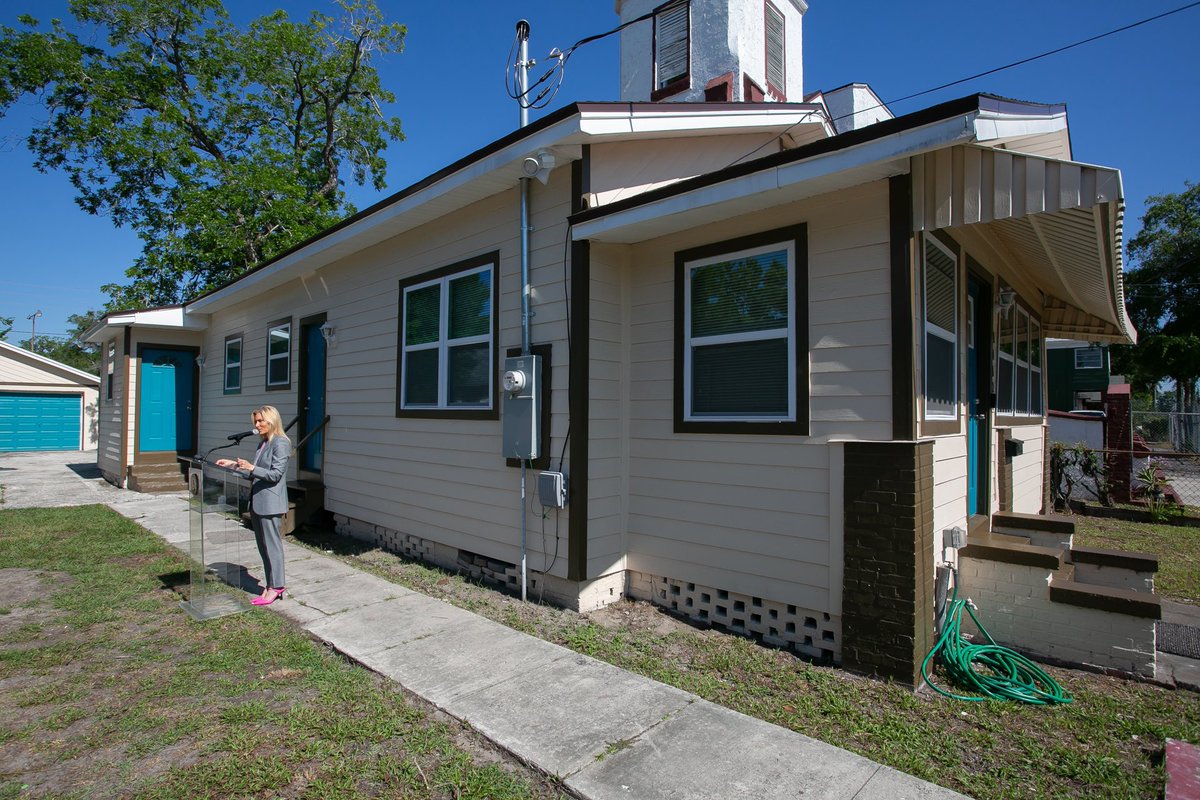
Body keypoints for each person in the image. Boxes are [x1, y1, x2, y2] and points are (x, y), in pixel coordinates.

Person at [217, 405, 290, 606]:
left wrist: (252, 467)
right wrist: (233, 465)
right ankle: (270, 585)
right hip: (258, 502)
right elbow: (254, 472)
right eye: (255, 422)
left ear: (272, 420)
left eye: (260, 421)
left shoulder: (280, 443)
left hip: (271, 504)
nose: (257, 425)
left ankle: (277, 586)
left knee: (272, 546)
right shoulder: (263, 444)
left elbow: (275, 474)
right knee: (263, 547)